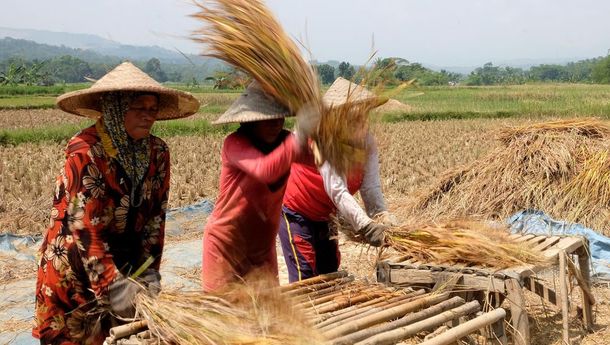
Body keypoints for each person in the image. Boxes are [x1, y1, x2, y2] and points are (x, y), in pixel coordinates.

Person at [33, 62, 200, 344]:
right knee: (74, 336)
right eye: (139, 107)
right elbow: (84, 227)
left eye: (152, 109)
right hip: (76, 263)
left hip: (125, 260)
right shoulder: (86, 150)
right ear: (115, 108)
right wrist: (111, 284)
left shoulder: (157, 151)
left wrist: (148, 271)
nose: (148, 116)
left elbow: (155, 217)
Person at [202, 81, 318, 292]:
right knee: (225, 315)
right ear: (251, 120)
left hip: (262, 249)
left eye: (278, 116)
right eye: (267, 118)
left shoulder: (286, 140)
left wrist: (332, 136)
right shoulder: (235, 143)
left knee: (267, 314)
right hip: (226, 247)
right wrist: (298, 139)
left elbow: (318, 160)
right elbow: (266, 169)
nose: (275, 123)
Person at [279, 77, 396, 283]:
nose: (361, 124)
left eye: (363, 117)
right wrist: (366, 226)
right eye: (353, 119)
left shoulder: (367, 142)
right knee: (304, 276)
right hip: (297, 212)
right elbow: (337, 189)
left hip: (327, 215)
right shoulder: (323, 140)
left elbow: (370, 186)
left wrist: (381, 216)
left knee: (329, 269)